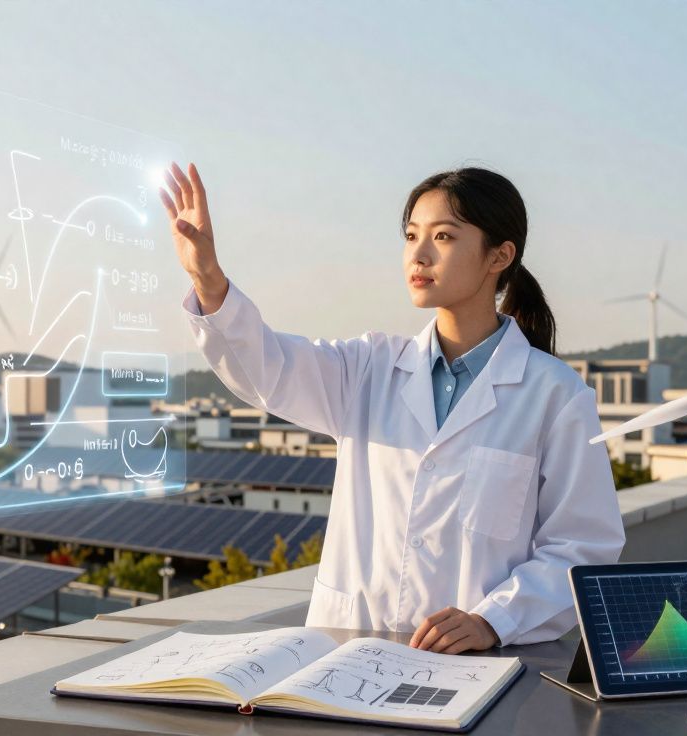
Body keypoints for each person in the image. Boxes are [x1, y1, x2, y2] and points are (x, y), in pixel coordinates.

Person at [160, 162, 624, 653]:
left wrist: (494, 620)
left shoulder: (554, 393)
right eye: (411, 235)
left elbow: (582, 548)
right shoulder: (369, 368)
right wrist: (208, 279)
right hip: (345, 652)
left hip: (472, 669)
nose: (418, 255)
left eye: (443, 237)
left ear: (499, 256)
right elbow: (267, 369)